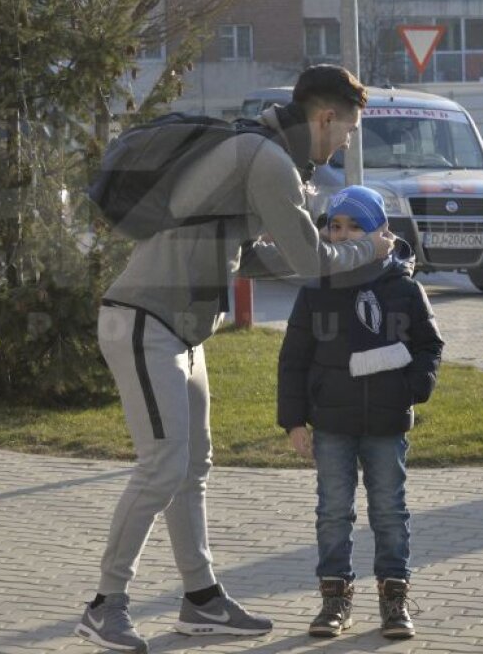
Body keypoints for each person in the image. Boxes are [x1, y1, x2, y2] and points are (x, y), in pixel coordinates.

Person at [77, 65, 398, 654]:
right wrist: (366, 249)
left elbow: (247, 255)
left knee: (192, 469)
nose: (348, 141)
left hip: (181, 331)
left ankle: (201, 601)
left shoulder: (262, 152)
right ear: (325, 117)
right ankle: (106, 605)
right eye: (349, 129)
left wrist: (328, 252)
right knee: (163, 467)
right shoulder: (266, 160)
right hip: (144, 321)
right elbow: (310, 258)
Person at [277, 186, 443, 641]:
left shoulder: (404, 288)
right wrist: (294, 420)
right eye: (335, 226)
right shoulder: (317, 290)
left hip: (386, 424)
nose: (343, 234)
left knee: (389, 510)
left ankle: (394, 600)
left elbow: (429, 346)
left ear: (381, 233)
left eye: (355, 226)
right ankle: (335, 600)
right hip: (331, 423)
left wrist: (412, 388)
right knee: (333, 512)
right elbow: (293, 358)